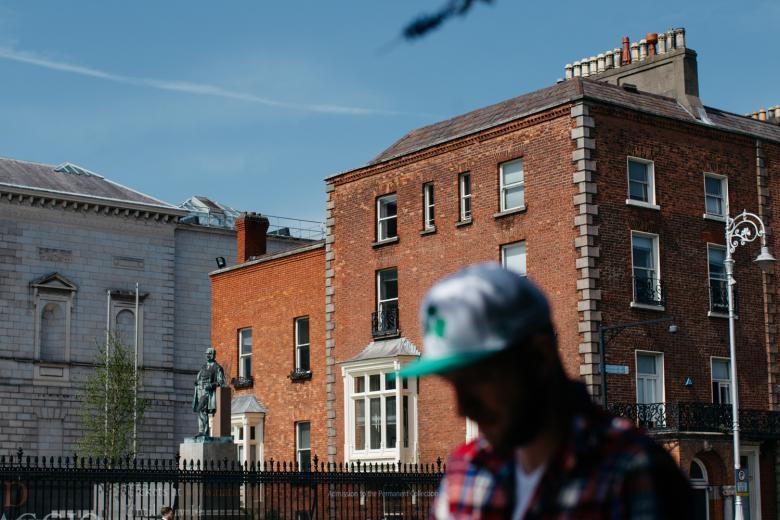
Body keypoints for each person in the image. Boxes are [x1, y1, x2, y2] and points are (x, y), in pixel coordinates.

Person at [398, 263, 693, 519]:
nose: (463, 407)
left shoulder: (631, 471)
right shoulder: (466, 470)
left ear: (539, 357)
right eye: (453, 383)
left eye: (477, 380)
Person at [192, 347, 226, 437]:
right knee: (200, 410)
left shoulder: (218, 368)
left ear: (213, 355)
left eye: (209, 354)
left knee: (201, 409)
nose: (207, 356)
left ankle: (204, 431)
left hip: (208, 392)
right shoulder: (203, 366)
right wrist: (196, 382)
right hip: (199, 390)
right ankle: (202, 431)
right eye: (206, 354)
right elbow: (199, 377)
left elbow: (221, 382)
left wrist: (211, 385)